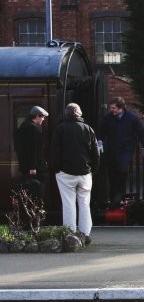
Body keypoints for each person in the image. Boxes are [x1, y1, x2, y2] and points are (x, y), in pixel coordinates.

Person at [51, 103, 100, 240]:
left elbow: (55, 151)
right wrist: (93, 169)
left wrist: (56, 169)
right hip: (85, 172)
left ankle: (70, 234)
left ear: (66, 114)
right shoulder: (88, 129)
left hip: (65, 172)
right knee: (84, 203)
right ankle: (85, 234)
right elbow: (95, 152)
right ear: (80, 113)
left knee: (68, 204)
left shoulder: (60, 129)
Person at [97, 97, 144, 206]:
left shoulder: (132, 118)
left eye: (113, 108)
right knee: (112, 174)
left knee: (122, 169)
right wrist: (100, 142)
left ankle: (118, 195)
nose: (111, 110)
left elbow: (141, 132)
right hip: (112, 150)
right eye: (111, 108)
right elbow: (101, 132)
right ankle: (113, 199)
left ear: (121, 108)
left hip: (126, 149)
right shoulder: (108, 119)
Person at [12, 105, 49, 199]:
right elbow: (31, 150)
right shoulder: (31, 129)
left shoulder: (24, 127)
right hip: (33, 169)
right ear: (37, 116)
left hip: (27, 167)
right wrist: (32, 167)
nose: (43, 119)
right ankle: (34, 212)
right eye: (42, 117)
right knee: (35, 192)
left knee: (29, 192)